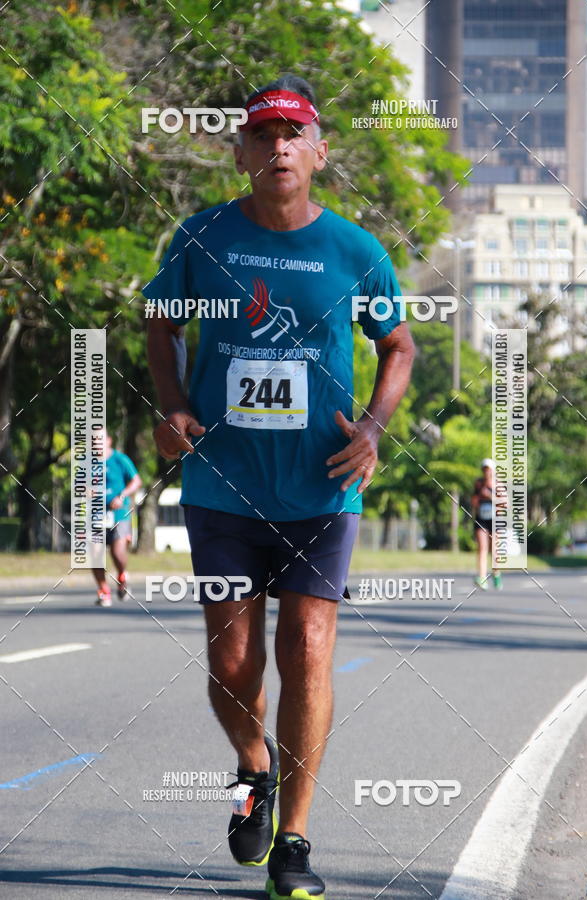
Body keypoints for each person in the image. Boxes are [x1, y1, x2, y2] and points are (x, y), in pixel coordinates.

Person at [145, 74, 415, 900]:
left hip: (321, 488)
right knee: (233, 661)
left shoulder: (356, 253)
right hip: (223, 485)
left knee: (306, 650)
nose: (278, 147)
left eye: (293, 134)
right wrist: (175, 404)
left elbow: (399, 345)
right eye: (262, 135)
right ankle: (254, 764)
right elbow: (161, 319)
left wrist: (373, 429)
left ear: (320, 152)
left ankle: (293, 840)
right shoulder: (200, 238)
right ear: (241, 151)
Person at [92, 430, 141, 607]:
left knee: (117, 552)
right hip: (96, 515)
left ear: (108, 441)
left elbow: (136, 481)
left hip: (119, 515)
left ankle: (122, 576)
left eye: (100, 439)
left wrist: (121, 496)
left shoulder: (120, 459)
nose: (96, 443)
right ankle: (104, 591)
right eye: (93, 440)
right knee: (95, 554)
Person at [471, 458, 503, 590]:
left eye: (488, 469)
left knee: (494, 551)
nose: (486, 472)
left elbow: (505, 503)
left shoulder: (499, 485)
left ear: (493, 471)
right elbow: (473, 501)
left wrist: (490, 496)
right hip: (481, 518)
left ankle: (496, 574)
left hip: (495, 520)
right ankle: (482, 577)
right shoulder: (478, 484)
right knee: (482, 548)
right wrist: (477, 501)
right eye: (484, 469)